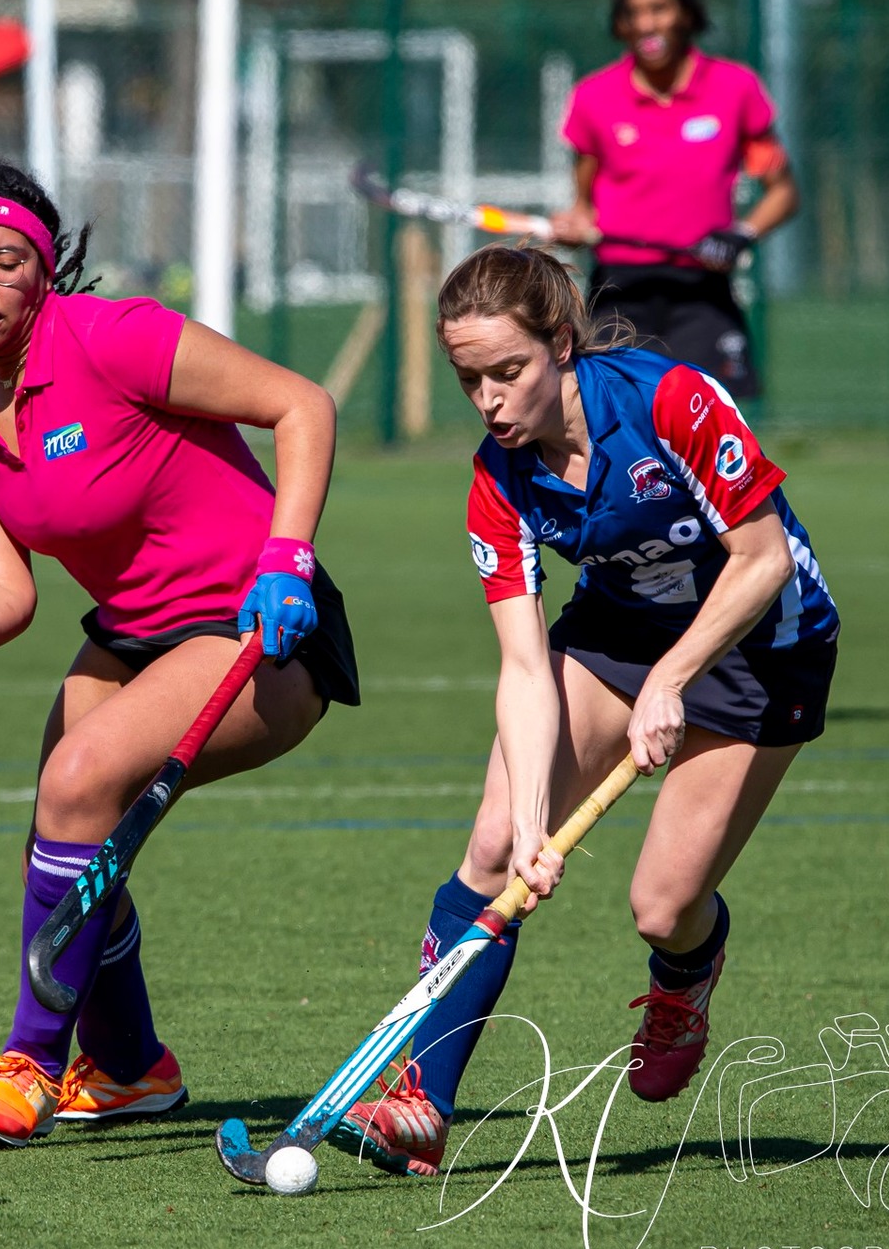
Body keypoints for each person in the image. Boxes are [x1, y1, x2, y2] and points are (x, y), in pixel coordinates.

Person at [338, 246, 838, 1177]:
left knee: (661, 906)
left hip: (763, 640)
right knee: (492, 850)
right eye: (469, 379)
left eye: (508, 372)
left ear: (560, 345)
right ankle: (419, 1103)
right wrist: (533, 823)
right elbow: (525, 668)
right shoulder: (500, 481)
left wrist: (673, 678)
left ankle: (686, 977)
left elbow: (762, 557)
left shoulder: (667, 401)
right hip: (620, 626)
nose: (489, 401)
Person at [0, 156, 362, 1148]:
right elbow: (6, 583)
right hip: (133, 633)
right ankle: (128, 1066)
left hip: (258, 625)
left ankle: (29, 1063)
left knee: (77, 778)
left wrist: (286, 557)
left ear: (42, 269)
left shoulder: (114, 337)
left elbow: (302, 405)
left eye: (5, 262)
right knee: (60, 835)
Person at [549, 0, 797, 401]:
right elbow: (583, 205)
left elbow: (782, 193)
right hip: (620, 294)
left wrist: (741, 234)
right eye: (633, 13)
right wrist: (575, 224)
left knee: (709, 433)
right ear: (620, 23)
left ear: (684, 12)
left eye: (658, 9)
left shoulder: (735, 89)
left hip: (701, 293)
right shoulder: (594, 98)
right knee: (619, 430)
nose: (646, 24)